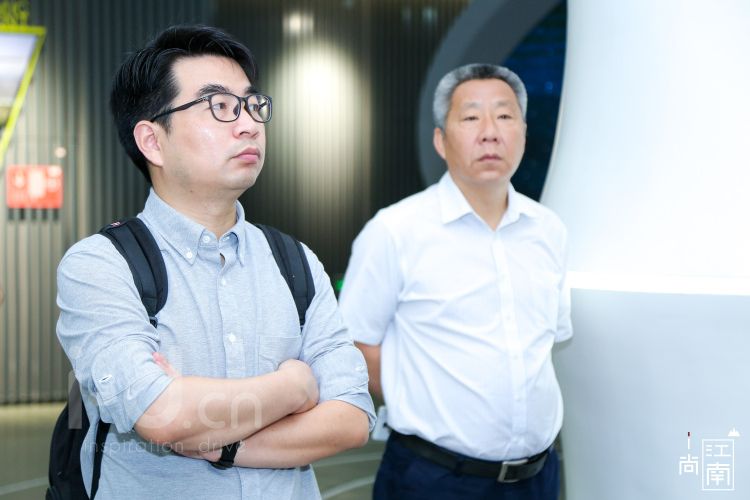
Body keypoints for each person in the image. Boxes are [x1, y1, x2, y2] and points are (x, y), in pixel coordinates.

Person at [56, 24, 374, 499]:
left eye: (252, 104)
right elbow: (160, 414)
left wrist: (223, 445)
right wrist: (294, 387)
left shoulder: (296, 263)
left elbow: (351, 419)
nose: (249, 124)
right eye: (220, 106)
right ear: (152, 141)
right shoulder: (101, 265)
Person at [339, 64, 572, 500]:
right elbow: (356, 345)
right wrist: (421, 401)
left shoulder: (549, 230)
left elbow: (547, 342)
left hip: (537, 479)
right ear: (440, 140)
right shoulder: (396, 231)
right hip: (433, 479)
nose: (490, 133)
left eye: (504, 116)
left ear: (523, 133)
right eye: (471, 117)